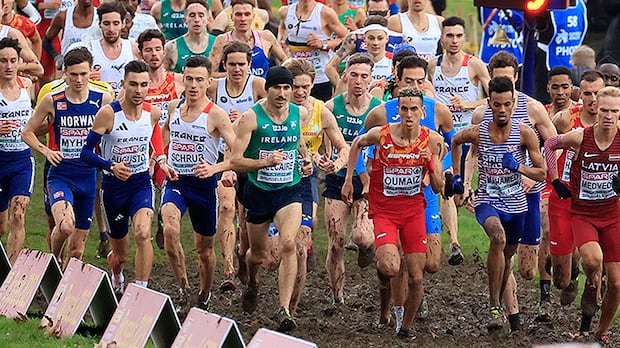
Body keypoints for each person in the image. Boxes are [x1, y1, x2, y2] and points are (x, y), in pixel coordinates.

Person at [343, 86, 443, 340]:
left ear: (422, 111)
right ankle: (385, 286)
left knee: (418, 276)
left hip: (413, 212)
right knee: (390, 266)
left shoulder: (431, 140)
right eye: (404, 109)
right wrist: (348, 179)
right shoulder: (382, 135)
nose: (409, 115)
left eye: (414, 109)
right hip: (385, 210)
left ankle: (405, 327)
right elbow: (356, 143)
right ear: (397, 111)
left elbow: (439, 186)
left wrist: (430, 162)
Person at [450, 76, 546, 335]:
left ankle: (498, 303)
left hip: (517, 205)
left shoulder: (525, 133)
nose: (501, 110)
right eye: (496, 105)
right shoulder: (479, 131)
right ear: (489, 104)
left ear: (513, 103)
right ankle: (493, 305)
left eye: (506, 104)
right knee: (498, 237)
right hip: (488, 201)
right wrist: (458, 177)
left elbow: (542, 172)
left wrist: (519, 167)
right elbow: (455, 141)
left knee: (507, 258)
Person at [470, 51, 557, 325]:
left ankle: (516, 306)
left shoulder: (532, 109)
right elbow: (472, 151)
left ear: (516, 78)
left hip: (527, 195)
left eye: (507, 80)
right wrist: (467, 183)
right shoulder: (481, 114)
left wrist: (535, 177)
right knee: (499, 243)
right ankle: (508, 315)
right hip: (494, 194)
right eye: (497, 81)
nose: (502, 87)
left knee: (527, 269)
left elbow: (553, 144)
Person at [80, 60, 176, 295]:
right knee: (120, 255)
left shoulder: (152, 113)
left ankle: (141, 290)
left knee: (143, 233)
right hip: (114, 188)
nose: (139, 91)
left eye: (144, 85)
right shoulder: (108, 114)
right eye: (133, 84)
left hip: (141, 182)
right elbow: (85, 153)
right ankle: (117, 273)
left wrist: (161, 160)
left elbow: (155, 141)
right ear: (123, 84)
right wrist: (110, 166)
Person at [230, 66, 311, 332]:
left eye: (287, 88)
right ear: (268, 89)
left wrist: (307, 159)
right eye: (277, 87)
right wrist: (264, 162)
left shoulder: (300, 113)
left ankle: (284, 309)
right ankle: (252, 283)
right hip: (259, 191)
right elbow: (235, 161)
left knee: (289, 244)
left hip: (289, 189)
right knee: (259, 255)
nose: (283, 93)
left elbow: (298, 143)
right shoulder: (250, 118)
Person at [22, 47, 113, 267]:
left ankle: (63, 283)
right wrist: (46, 151)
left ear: (91, 71)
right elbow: (27, 132)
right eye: (73, 74)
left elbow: (113, 131)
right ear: (65, 74)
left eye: (83, 74)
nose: (79, 79)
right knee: (64, 226)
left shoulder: (103, 99)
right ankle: (54, 259)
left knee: (78, 251)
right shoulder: (52, 100)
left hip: (88, 177)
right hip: (61, 174)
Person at [544, 86, 620, 346]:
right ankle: (590, 280)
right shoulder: (581, 136)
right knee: (593, 260)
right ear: (596, 108)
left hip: (612, 216)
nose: (609, 116)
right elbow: (550, 143)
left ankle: (600, 331)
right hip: (583, 213)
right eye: (605, 110)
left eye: (615, 111)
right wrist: (554, 180)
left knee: (618, 284)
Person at [161, 56, 236, 312]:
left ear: (209, 82)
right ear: (182, 78)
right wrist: (160, 159)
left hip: (204, 187)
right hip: (177, 181)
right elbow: (163, 135)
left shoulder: (216, 114)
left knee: (204, 250)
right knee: (170, 230)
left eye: (199, 80)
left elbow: (235, 150)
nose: (193, 85)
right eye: (189, 79)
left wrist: (218, 168)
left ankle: (205, 293)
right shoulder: (173, 108)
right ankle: (183, 289)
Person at [428, 15, 490, 265]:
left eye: (458, 36)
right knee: (446, 188)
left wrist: (467, 104)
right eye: (449, 35)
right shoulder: (433, 66)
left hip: (467, 136)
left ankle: (465, 198)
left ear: (464, 38)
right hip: (442, 138)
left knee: (457, 195)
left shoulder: (474, 65)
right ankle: (454, 243)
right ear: (442, 37)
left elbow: (493, 98)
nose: (454, 40)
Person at [546, 71, 604, 327]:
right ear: (578, 94)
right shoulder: (564, 119)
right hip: (565, 197)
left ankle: (587, 325)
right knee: (560, 280)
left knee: (597, 260)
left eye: (598, 93)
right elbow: (545, 146)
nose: (593, 99)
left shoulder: (614, 121)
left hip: (597, 198)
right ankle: (570, 274)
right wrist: (554, 180)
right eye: (588, 93)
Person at [207, 40, 266, 292]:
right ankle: (228, 269)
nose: (237, 69)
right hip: (224, 159)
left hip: (249, 162)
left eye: (242, 64)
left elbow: (274, 113)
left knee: (245, 220)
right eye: (232, 64)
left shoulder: (258, 86)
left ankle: (242, 256)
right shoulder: (214, 88)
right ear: (224, 65)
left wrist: (244, 121)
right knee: (227, 208)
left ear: (250, 65)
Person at [324, 53, 382, 304]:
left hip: (368, 182)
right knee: (336, 242)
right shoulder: (330, 108)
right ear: (345, 75)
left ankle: (366, 249)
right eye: (354, 75)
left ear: (371, 79)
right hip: (338, 180)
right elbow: (322, 145)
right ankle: (338, 296)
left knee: (363, 238)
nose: (358, 81)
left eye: (364, 76)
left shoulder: (378, 111)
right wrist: (324, 159)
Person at [0, 38, 34, 264]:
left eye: (13, 60)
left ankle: (9, 275)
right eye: (3, 61)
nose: (9, 66)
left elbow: (39, 120)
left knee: (19, 215)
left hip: (22, 160)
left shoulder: (27, 86)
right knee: (1, 225)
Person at [279, 0, 348, 101]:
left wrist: (323, 44)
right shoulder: (285, 11)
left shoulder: (325, 13)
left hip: (320, 77)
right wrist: (283, 41)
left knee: (318, 112)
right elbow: (282, 28)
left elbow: (345, 37)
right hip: (293, 77)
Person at [209, 0, 287, 79]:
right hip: (234, 90)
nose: (243, 19)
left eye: (247, 14)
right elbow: (209, 73)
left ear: (253, 16)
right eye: (238, 14)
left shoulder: (265, 37)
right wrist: (232, 75)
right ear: (231, 17)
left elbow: (285, 61)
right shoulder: (222, 41)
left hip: (261, 90)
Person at [77, 1, 139, 95]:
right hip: (98, 105)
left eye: (116, 23)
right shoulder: (89, 49)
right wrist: (86, 76)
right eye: (106, 23)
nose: (111, 29)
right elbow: (70, 78)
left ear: (123, 24)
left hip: (124, 106)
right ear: (100, 24)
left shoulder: (133, 47)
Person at [163, 0, 216, 74]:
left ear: (208, 20)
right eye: (192, 15)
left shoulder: (218, 43)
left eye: (201, 15)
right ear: (185, 20)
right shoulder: (171, 47)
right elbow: (162, 76)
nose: (197, 20)